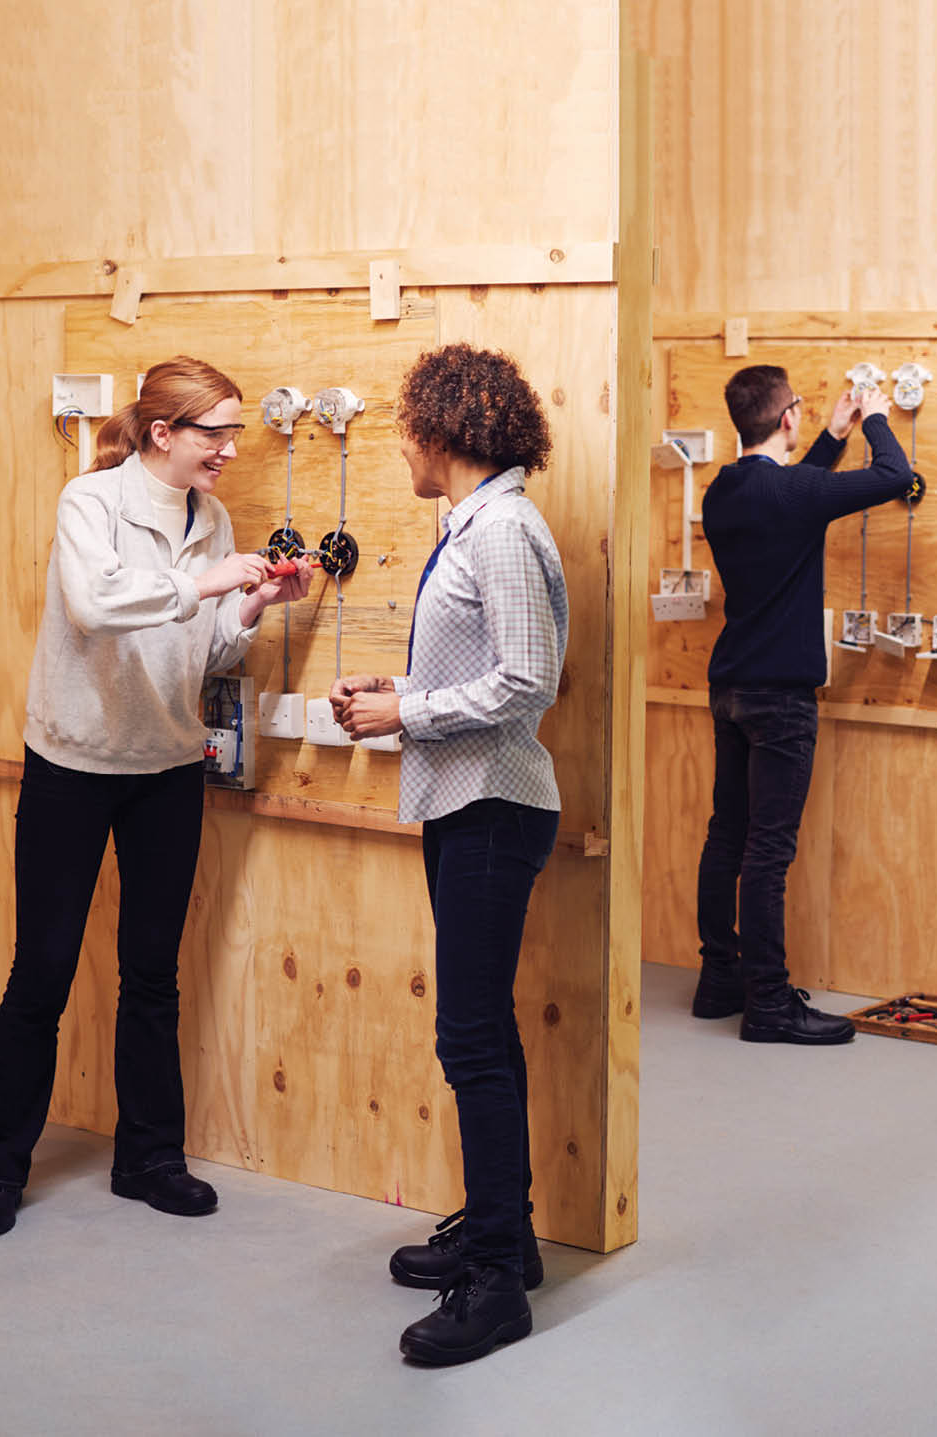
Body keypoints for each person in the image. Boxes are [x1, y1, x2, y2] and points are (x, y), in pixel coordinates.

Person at [0, 356, 312, 1237]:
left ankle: (149, 1158)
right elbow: (94, 605)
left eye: (235, 433)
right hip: (73, 765)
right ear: (162, 433)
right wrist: (208, 583)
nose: (230, 449)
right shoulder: (91, 503)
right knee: (41, 971)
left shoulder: (212, 517)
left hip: (166, 770)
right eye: (216, 433)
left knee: (153, 974)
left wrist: (253, 604)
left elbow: (203, 650)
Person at [329, 342, 568, 1367]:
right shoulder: (476, 522)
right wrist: (398, 691)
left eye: (405, 430)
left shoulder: (501, 528)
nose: (399, 448)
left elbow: (528, 679)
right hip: (467, 803)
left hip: (493, 808)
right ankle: (504, 1234)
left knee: (469, 1040)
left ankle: (496, 1285)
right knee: (483, 1033)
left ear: (444, 430)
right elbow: (487, 665)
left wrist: (408, 712)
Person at [692, 365, 912, 1044]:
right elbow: (894, 475)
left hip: (730, 688)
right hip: (780, 699)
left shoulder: (723, 490)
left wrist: (833, 435)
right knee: (767, 851)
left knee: (727, 835)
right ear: (786, 417)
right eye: (799, 408)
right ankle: (768, 1003)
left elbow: (790, 499)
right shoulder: (793, 492)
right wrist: (876, 416)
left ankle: (719, 978)